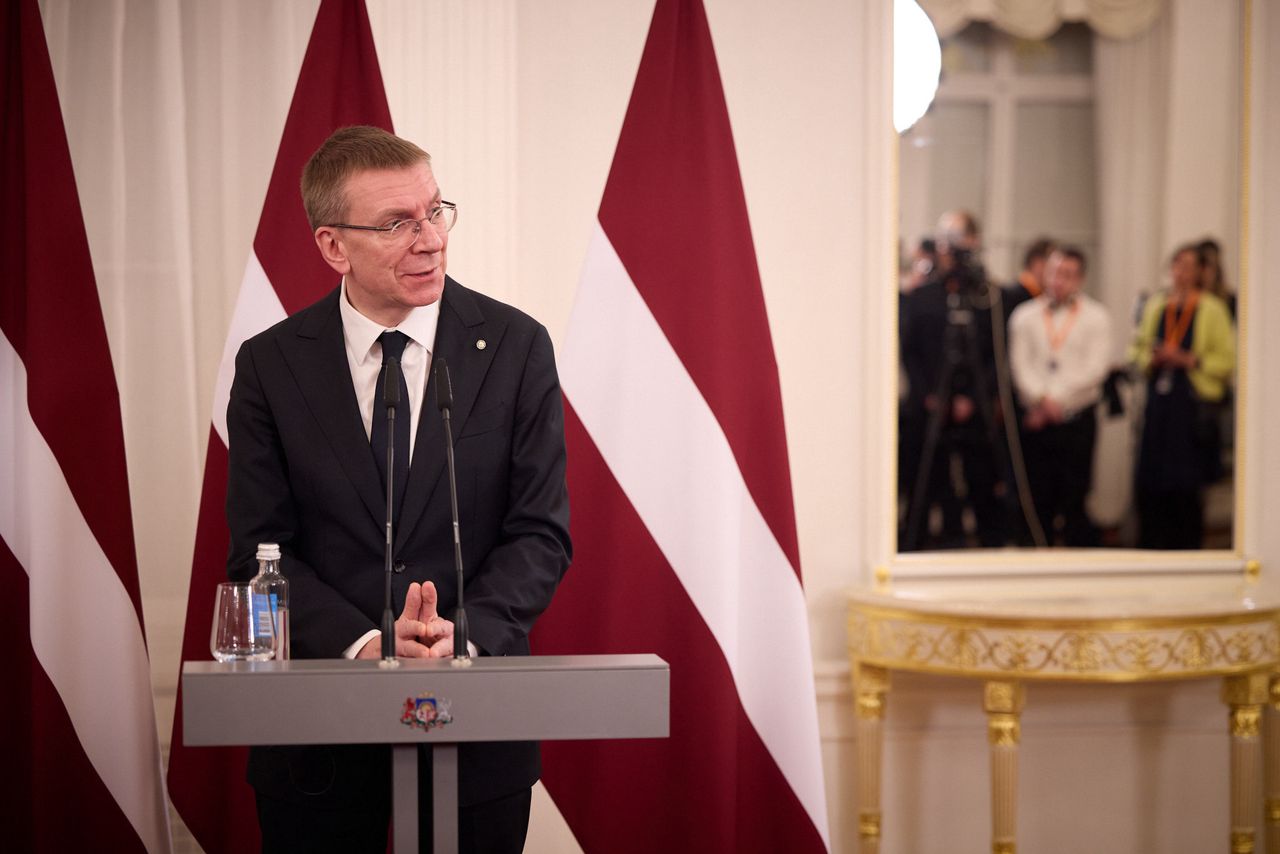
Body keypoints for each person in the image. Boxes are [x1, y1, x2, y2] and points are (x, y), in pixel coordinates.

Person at [225, 125, 572, 852]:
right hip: (317, 746)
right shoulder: (271, 366)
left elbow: (540, 532)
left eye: (435, 211)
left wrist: (463, 634)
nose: (430, 239)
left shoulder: (515, 347)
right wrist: (367, 644)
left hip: (477, 735)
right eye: (396, 223)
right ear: (332, 246)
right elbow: (260, 548)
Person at [900, 210, 1007, 549]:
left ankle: (990, 545)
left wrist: (973, 398)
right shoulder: (923, 296)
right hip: (930, 406)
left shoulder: (988, 298)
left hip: (974, 412)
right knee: (927, 480)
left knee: (980, 480)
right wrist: (931, 396)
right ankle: (923, 543)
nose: (950, 251)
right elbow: (910, 352)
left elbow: (996, 356)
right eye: (946, 243)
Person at [1130, 243, 1235, 549]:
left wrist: (1188, 360)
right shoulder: (1156, 305)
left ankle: (1187, 547)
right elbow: (1135, 349)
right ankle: (1151, 548)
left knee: (1186, 485)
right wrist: (1152, 359)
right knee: (1151, 481)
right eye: (1176, 265)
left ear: (1200, 272)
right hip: (1159, 404)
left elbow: (1227, 361)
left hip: (1190, 408)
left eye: (1189, 266)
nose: (1181, 272)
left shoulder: (1212, 309)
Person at [1008, 247, 1112, 546]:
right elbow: (1020, 366)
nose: (1057, 281)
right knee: (1036, 497)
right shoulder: (1025, 315)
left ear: (1079, 279)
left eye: (1066, 275)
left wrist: (1056, 399)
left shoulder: (1096, 317)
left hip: (1076, 420)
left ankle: (1074, 569)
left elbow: (1095, 368)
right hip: (1036, 422)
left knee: (1075, 497)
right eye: (1053, 273)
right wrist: (1041, 399)